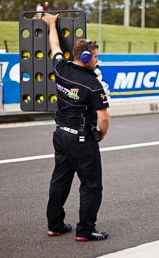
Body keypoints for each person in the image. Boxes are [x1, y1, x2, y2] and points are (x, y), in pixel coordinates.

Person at [42, 13, 110, 242]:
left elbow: (54, 46)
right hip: (82, 139)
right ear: (85, 56)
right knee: (91, 185)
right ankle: (85, 230)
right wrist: (100, 135)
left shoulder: (61, 69)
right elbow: (104, 118)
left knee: (59, 181)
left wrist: (52, 24)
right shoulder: (93, 84)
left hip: (60, 135)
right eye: (96, 56)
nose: (98, 60)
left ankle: (55, 225)